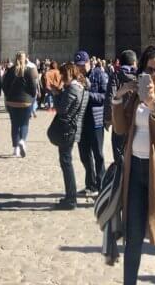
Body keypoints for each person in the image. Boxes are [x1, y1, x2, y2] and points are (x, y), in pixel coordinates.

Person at [111, 45, 155, 285]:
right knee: (134, 237)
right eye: (148, 70)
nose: (153, 74)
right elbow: (120, 128)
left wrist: (153, 106)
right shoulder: (137, 95)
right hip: (135, 170)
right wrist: (119, 97)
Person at [53, 61, 89, 210]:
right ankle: (70, 196)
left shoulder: (72, 89)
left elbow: (62, 110)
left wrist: (57, 94)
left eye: (62, 74)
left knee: (66, 163)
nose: (61, 77)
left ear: (69, 74)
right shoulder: (80, 87)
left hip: (67, 130)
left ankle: (71, 198)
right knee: (66, 162)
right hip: (72, 129)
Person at [74, 50, 108, 194]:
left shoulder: (99, 74)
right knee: (84, 154)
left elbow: (105, 96)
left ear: (89, 63)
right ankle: (90, 184)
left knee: (98, 154)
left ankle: (101, 185)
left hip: (96, 121)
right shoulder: (76, 77)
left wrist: (87, 94)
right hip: (81, 120)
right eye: (78, 66)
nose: (81, 68)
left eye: (82, 65)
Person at [2, 51, 39, 157]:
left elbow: (4, 85)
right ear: (25, 59)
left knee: (14, 124)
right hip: (25, 102)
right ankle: (22, 140)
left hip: (12, 101)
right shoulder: (29, 71)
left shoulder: (10, 70)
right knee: (24, 123)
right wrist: (31, 97)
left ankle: (15, 149)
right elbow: (33, 87)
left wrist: (8, 94)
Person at [105, 49, 138, 164]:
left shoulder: (116, 76)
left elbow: (110, 97)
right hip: (135, 121)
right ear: (134, 62)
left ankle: (120, 179)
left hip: (118, 120)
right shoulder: (139, 76)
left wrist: (108, 118)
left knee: (119, 157)